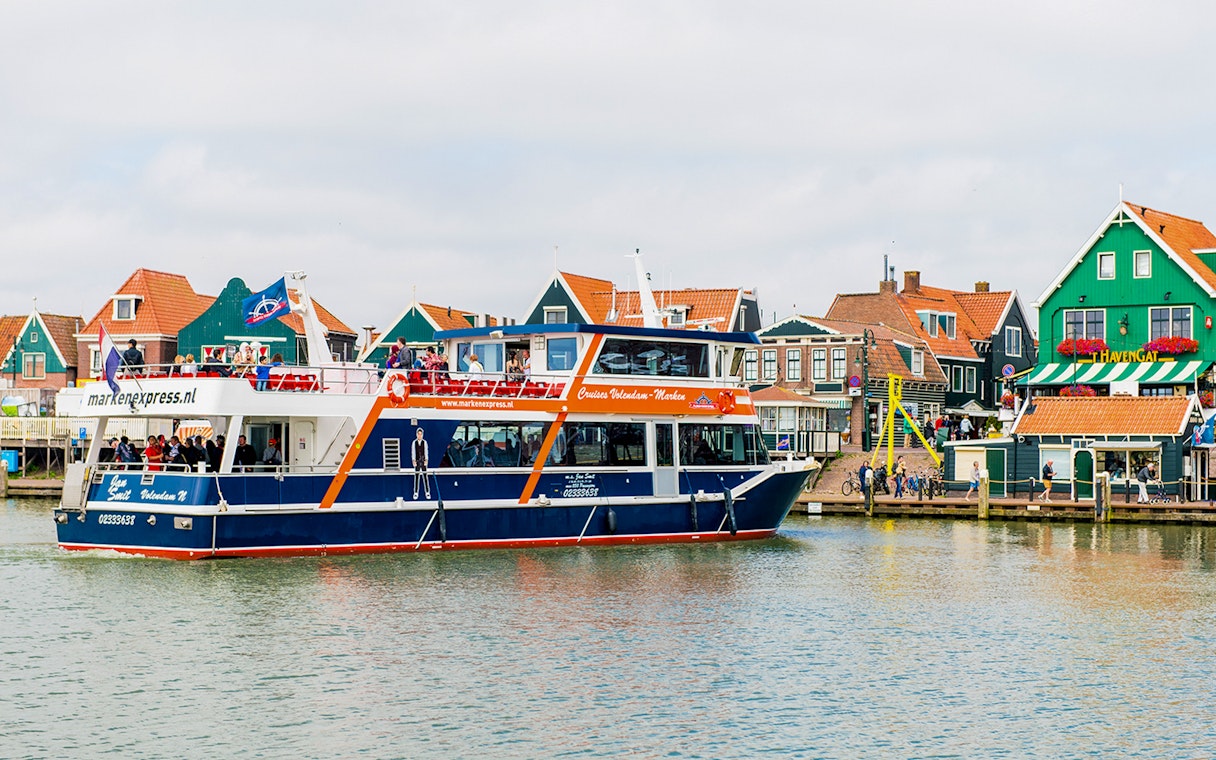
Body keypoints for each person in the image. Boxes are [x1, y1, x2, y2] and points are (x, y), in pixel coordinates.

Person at [412, 428, 431, 499]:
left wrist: (426, 460)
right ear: (416, 435)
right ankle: (416, 492)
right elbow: (413, 452)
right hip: (417, 461)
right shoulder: (414, 442)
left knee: (425, 476)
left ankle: (427, 492)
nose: (419, 436)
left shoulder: (424, 442)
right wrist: (413, 460)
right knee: (417, 476)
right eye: (418, 434)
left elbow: (426, 451)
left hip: (423, 460)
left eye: (421, 434)